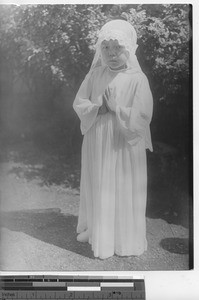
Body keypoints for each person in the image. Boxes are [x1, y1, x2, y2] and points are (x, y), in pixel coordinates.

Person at [73, 19, 153, 259]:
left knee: (121, 185)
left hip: (123, 142)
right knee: (101, 184)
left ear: (128, 49)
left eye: (117, 48)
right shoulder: (95, 74)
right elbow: (79, 103)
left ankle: (123, 237)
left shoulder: (137, 79)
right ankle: (100, 233)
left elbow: (142, 115)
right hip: (98, 139)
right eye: (106, 48)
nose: (111, 54)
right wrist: (98, 108)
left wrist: (118, 108)